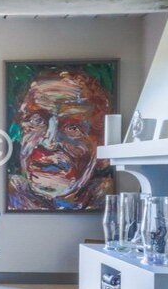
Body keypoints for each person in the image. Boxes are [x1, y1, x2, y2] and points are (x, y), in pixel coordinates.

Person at [8, 69, 112, 211]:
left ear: (101, 145)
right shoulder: (9, 197)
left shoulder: (109, 202)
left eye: (73, 128)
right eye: (37, 120)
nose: (49, 144)